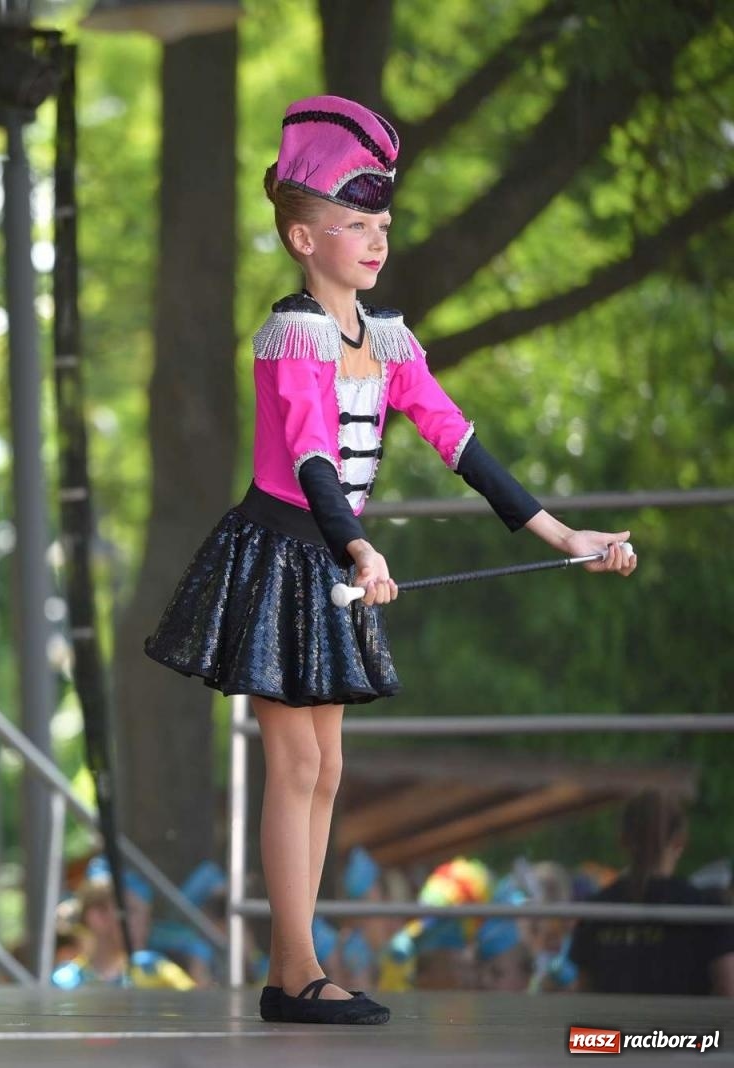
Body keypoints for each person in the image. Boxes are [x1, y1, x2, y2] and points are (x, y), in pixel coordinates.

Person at [143, 95, 635, 1026]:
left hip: (332, 557)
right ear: (300, 238)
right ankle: (294, 973)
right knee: (296, 767)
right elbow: (314, 456)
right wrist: (360, 545)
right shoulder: (294, 335)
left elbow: (460, 442)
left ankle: (299, 966)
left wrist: (565, 534)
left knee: (324, 769)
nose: (374, 241)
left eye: (381, 224)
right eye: (352, 225)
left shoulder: (389, 339)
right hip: (285, 554)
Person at [569, 791, 734, 997]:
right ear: (680, 842)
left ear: (622, 840)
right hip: (684, 1029)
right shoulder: (707, 909)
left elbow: (584, 996)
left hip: (612, 1029)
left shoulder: (595, 910)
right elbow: (728, 991)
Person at [51, 857, 195, 990]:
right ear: (97, 916)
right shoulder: (66, 983)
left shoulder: (156, 972)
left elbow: (195, 1003)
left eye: (145, 915)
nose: (143, 923)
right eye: (131, 911)